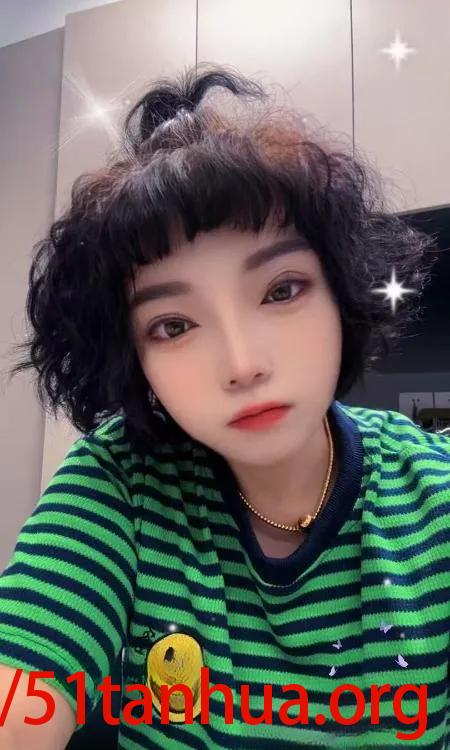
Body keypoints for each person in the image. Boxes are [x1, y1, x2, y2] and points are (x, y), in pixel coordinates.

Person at [0, 63, 448, 749]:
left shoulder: (434, 495)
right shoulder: (120, 485)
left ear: (340, 290)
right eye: (173, 326)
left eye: (281, 290)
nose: (242, 365)